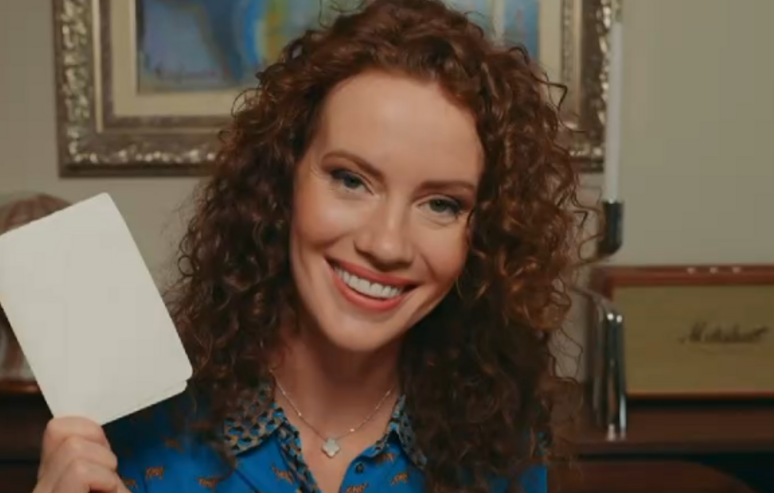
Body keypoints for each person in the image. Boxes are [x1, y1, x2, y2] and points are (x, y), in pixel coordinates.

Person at [33, 0, 593, 491]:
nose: (386, 244)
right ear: (283, 182)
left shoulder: (504, 448)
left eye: (441, 204)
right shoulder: (136, 432)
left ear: (485, 235)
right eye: (351, 180)